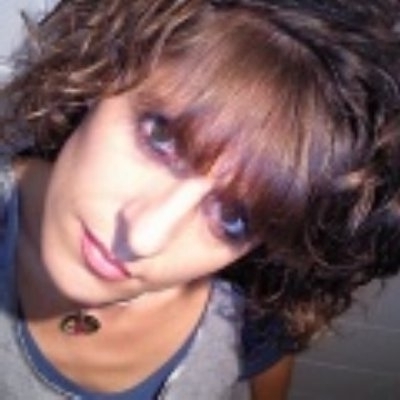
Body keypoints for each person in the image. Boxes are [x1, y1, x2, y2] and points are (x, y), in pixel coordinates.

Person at [1, 0, 400, 398]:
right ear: (106, 72)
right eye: (160, 138)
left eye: (233, 218)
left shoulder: (245, 315)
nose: (143, 238)